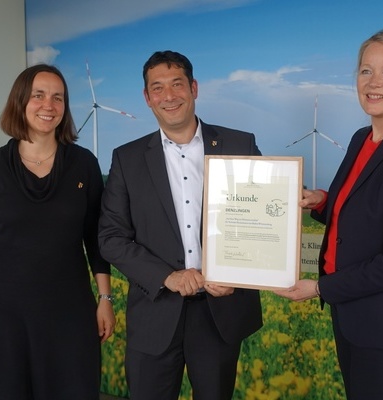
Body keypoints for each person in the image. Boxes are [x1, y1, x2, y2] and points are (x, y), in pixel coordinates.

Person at [275, 29, 383, 399]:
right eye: (365, 71)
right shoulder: (360, 139)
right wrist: (320, 201)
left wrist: (320, 288)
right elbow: (357, 212)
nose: (373, 83)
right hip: (351, 316)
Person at [98, 50, 263, 400]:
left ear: (194, 88)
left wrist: (237, 273)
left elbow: (262, 222)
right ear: (147, 98)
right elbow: (111, 238)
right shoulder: (126, 159)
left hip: (219, 312)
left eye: (177, 85)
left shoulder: (239, 145)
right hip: (155, 313)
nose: (168, 96)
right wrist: (167, 276)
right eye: (157, 88)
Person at [0, 64, 115, 399]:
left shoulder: (84, 163)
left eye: (58, 97)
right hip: (3, 316)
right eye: (39, 95)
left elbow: (95, 239)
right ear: (20, 102)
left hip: (70, 312)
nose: (49, 105)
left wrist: (105, 299)